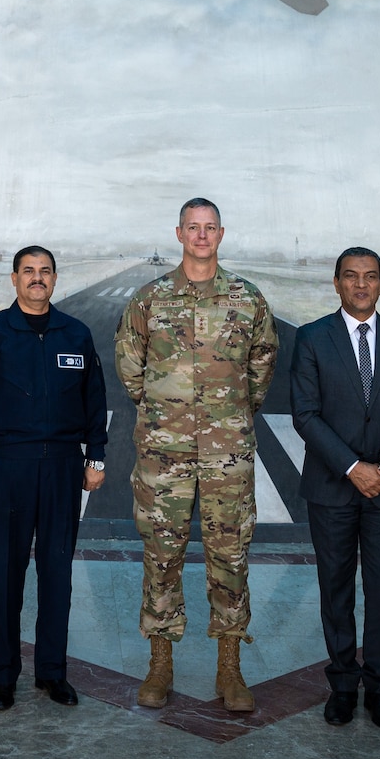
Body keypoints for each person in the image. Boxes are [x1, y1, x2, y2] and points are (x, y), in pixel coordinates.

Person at [114, 198, 278, 712]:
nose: (201, 236)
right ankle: (160, 663)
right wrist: (167, 416)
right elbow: (129, 368)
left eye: (210, 228)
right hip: (164, 456)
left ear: (221, 234)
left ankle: (229, 667)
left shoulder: (247, 300)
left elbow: (261, 368)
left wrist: (226, 419)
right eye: (193, 228)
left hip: (228, 454)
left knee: (230, 556)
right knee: (162, 556)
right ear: (179, 233)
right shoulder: (150, 299)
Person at [0, 245, 107, 712]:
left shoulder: (76, 334)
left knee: (57, 573)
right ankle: (3, 677)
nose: (37, 279)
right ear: (15, 279)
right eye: (28, 272)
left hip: (62, 466)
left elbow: (95, 401)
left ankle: (51, 674)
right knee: (7, 574)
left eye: (45, 272)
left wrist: (95, 458)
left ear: (55, 280)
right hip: (6, 467)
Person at [289, 247, 380, 732]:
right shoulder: (311, 338)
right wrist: (354, 467)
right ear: (336, 283)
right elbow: (305, 415)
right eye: (351, 277)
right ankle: (343, 687)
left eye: (370, 277)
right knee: (335, 589)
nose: (361, 285)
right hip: (332, 487)